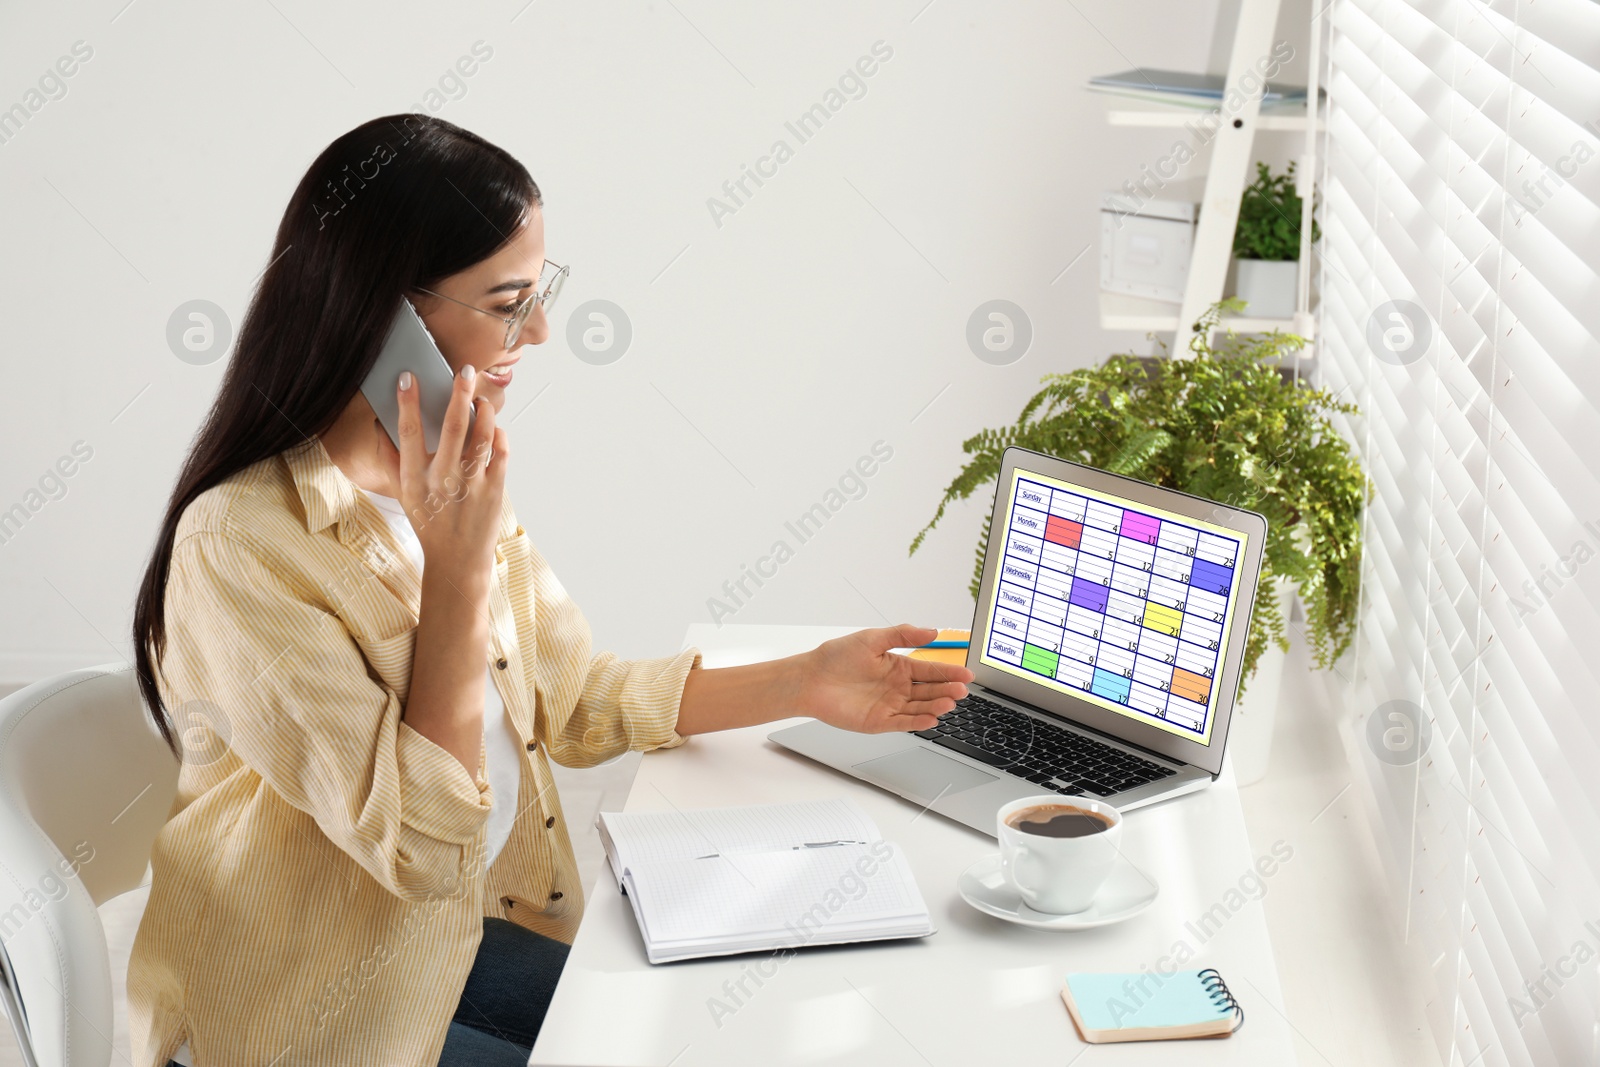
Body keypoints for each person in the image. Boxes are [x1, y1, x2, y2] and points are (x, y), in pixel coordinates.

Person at [125, 113, 972, 1067]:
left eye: (541, 292)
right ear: (385, 317)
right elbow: (421, 852)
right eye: (508, 300)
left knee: (727, 1020)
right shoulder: (241, 546)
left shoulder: (448, 481)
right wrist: (455, 567)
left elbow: (567, 698)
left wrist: (803, 681)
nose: (540, 330)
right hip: (310, 1018)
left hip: (447, 954)